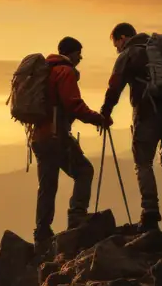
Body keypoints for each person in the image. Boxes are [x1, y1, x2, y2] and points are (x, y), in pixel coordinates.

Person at [100, 22, 162, 235]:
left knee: (143, 163)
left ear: (122, 38)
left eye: (116, 44)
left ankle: (150, 213)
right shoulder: (159, 53)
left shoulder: (129, 54)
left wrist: (105, 112)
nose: (117, 49)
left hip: (146, 113)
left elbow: (114, 86)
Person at [32, 36, 110, 259]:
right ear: (70, 53)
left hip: (39, 137)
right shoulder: (64, 72)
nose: (81, 58)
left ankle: (42, 235)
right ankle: (77, 217)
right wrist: (98, 119)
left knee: (47, 186)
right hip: (57, 137)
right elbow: (74, 105)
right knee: (84, 171)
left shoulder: (45, 71)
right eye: (79, 53)